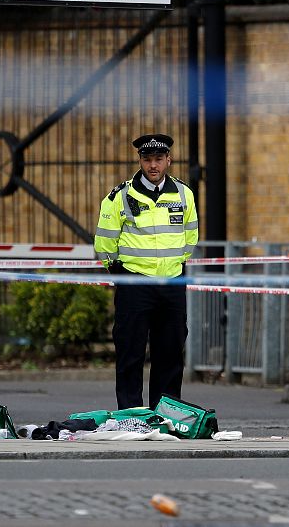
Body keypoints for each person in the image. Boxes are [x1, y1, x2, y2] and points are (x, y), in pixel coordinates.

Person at [94, 133, 199, 410]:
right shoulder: (120, 196)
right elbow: (105, 242)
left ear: (168, 160)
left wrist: (174, 265)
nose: (153, 165)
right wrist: (120, 274)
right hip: (135, 283)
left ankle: (165, 413)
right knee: (130, 352)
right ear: (140, 160)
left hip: (172, 282)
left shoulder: (184, 194)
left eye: (159, 159)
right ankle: (131, 413)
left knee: (171, 353)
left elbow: (190, 238)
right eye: (148, 159)